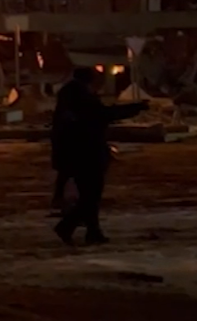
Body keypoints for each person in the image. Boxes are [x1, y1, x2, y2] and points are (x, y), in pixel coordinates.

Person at [52, 67, 148, 246]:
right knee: (91, 195)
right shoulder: (81, 97)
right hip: (86, 152)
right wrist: (135, 108)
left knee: (89, 195)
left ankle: (92, 231)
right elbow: (102, 115)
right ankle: (68, 226)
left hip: (76, 152)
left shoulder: (70, 95)